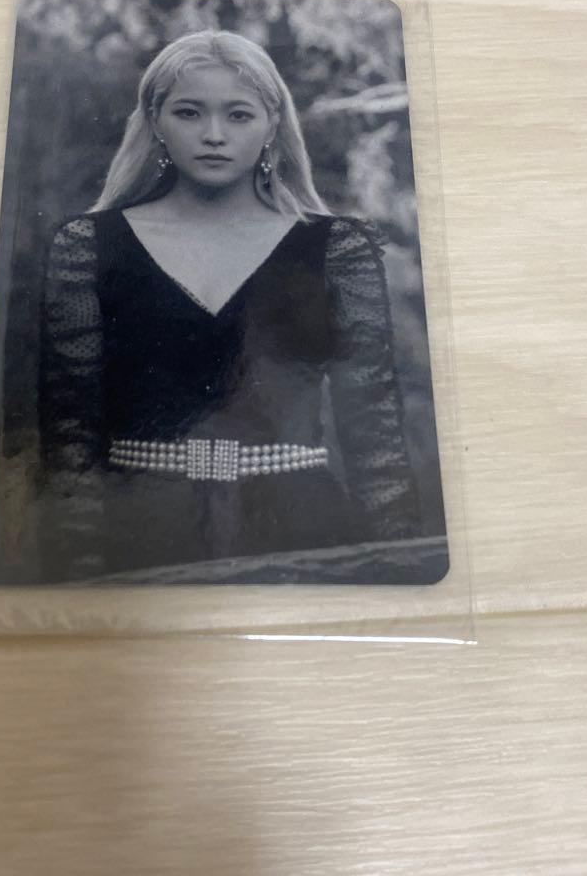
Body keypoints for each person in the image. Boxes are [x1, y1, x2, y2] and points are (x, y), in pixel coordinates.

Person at [36, 29, 424, 583]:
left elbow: (375, 438)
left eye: (239, 115)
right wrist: (77, 571)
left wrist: (401, 572)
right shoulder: (88, 246)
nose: (213, 135)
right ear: (156, 121)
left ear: (272, 124)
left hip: (301, 533)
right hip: (142, 532)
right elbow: (70, 437)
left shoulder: (336, 250)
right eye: (189, 113)